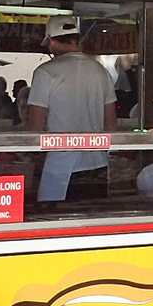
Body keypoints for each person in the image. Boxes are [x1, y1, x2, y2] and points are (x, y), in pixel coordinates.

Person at [25, 17, 117, 202]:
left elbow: (35, 127)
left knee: (57, 224)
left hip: (62, 167)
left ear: (51, 41)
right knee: (92, 223)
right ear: (77, 39)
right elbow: (111, 124)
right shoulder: (100, 72)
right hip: (98, 165)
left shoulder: (45, 72)